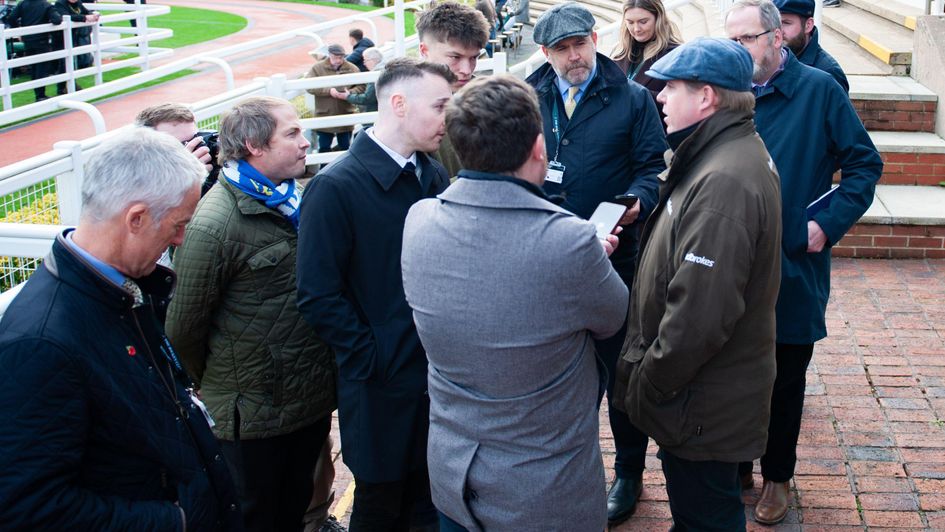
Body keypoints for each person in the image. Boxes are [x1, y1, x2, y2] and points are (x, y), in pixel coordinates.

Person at [402, 75, 629, 532]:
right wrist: (587, 258)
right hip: (543, 491)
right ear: (538, 148)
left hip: (453, 473)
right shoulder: (569, 240)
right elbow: (614, 316)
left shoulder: (418, 219)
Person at [0, 127, 242, 531]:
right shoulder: (41, 342)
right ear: (136, 218)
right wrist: (175, 520)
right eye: (178, 225)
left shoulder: (120, 287)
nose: (181, 239)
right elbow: (26, 508)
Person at [612, 37, 782, 532]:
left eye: (670, 89)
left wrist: (647, 384)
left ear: (706, 97)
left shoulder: (723, 179)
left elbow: (698, 318)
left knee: (704, 517)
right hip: (708, 398)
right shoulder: (725, 155)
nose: (659, 98)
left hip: (701, 402)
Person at [725, 0, 882, 524]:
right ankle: (739, 462)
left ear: (776, 38)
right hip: (731, 262)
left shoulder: (819, 89)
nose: (739, 49)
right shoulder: (725, 91)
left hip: (793, 264)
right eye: (732, 39)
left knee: (784, 377)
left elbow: (864, 164)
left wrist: (824, 224)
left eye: (747, 39)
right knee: (733, 371)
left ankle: (778, 475)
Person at [163, 96, 336, 532]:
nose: (305, 142)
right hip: (252, 419)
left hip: (306, 403)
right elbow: (183, 330)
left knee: (293, 509)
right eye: (292, 133)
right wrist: (230, 383)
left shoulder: (291, 198)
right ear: (254, 145)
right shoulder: (214, 224)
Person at [296, 58, 455, 532]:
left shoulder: (432, 175)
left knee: (430, 501)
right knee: (381, 506)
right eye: (440, 106)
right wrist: (374, 358)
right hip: (380, 389)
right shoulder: (334, 188)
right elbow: (317, 294)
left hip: (434, 379)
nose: (448, 118)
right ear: (399, 104)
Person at [525, 2, 666, 525]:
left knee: (621, 372)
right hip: (544, 257)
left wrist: (636, 200)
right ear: (545, 53)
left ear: (594, 40)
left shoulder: (632, 98)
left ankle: (628, 471)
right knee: (554, 373)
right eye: (561, 48)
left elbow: (653, 166)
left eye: (579, 43)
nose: (573, 55)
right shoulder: (528, 97)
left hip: (615, 256)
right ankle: (562, 468)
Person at [416, 1, 491, 178]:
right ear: (424, 50)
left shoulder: (487, 97)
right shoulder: (405, 106)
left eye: (474, 58)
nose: (466, 69)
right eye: (455, 57)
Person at [611, 0, 682, 125]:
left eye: (643, 22)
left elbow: (680, 104)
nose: (636, 29)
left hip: (654, 135)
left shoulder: (676, 54)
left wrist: (632, 93)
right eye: (630, 22)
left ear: (658, 19)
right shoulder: (618, 53)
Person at [135, 103, 217, 195]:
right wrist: (183, 181)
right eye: (181, 145)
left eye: (195, 139)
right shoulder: (134, 185)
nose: (194, 148)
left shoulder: (213, 154)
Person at [774, 0, 848, 91]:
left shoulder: (828, 72)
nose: (778, 32)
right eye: (775, 23)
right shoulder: (770, 60)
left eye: (786, 23)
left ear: (808, 25)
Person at [305, 43, 365, 153]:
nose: (338, 60)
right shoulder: (317, 68)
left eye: (341, 57)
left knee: (345, 147)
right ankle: (324, 169)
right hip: (324, 114)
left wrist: (349, 94)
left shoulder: (352, 68)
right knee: (324, 148)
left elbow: (361, 86)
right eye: (335, 57)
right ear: (329, 55)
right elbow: (309, 86)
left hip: (345, 113)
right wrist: (328, 91)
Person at [6, 0, 62, 101]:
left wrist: (19, 30)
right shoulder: (46, 5)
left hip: (27, 40)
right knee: (42, 68)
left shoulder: (23, 3)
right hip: (41, 40)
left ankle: (39, 94)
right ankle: (40, 95)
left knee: (34, 68)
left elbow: (11, 18)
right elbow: (57, 20)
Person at [53, 0, 98, 83]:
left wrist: (92, 15)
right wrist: (84, 18)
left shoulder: (78, 3)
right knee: (64, 63)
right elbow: (66, 16)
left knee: (70, 62)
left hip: (73, 36)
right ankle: (62, 87)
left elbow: (85, 12)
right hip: (61, 37)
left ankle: (70, 84)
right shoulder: (60, 4)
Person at [330, 47, 383, 114]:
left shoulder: (375, 75)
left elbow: (368, 98)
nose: (364, 64)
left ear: (372, 60)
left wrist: (348, 96)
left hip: (376, 113)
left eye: (365, 60)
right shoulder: (383, 70)